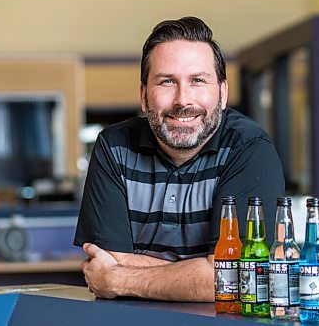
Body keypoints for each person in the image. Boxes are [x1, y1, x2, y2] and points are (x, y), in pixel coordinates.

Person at [74, 16, 285, 302]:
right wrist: (205, 274)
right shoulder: (114, 147)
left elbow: (239, 279)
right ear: (144, 96)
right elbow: (104, 261)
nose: (183, 100)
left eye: (197, 81)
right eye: (167, 82)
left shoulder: (248, 148)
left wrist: (121, 276)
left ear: (222, 94)